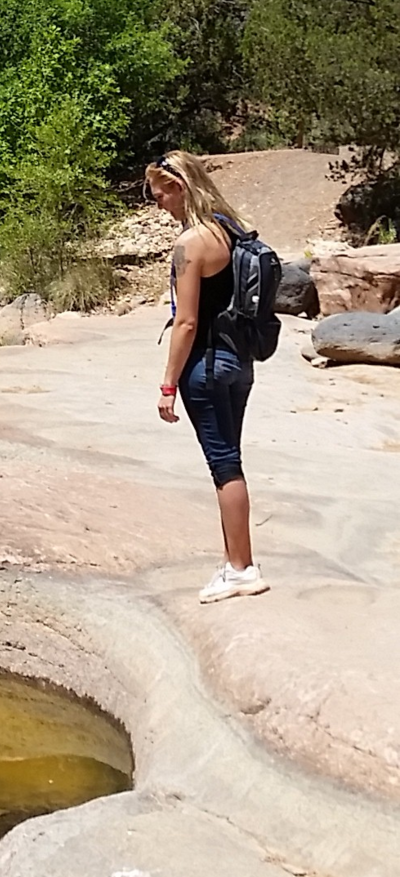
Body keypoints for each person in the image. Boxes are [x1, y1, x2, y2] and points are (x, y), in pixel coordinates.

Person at [144, 150, 268, 604]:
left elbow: (187, 322)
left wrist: (168, 385)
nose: (155, 201)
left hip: (206, 367)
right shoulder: (230, 229)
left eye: (157, 192)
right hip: (240, 364)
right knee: (229, 460)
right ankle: (236, 559)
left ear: (177, 186)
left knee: (224, 467)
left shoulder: (191, 243)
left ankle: (242, 568)